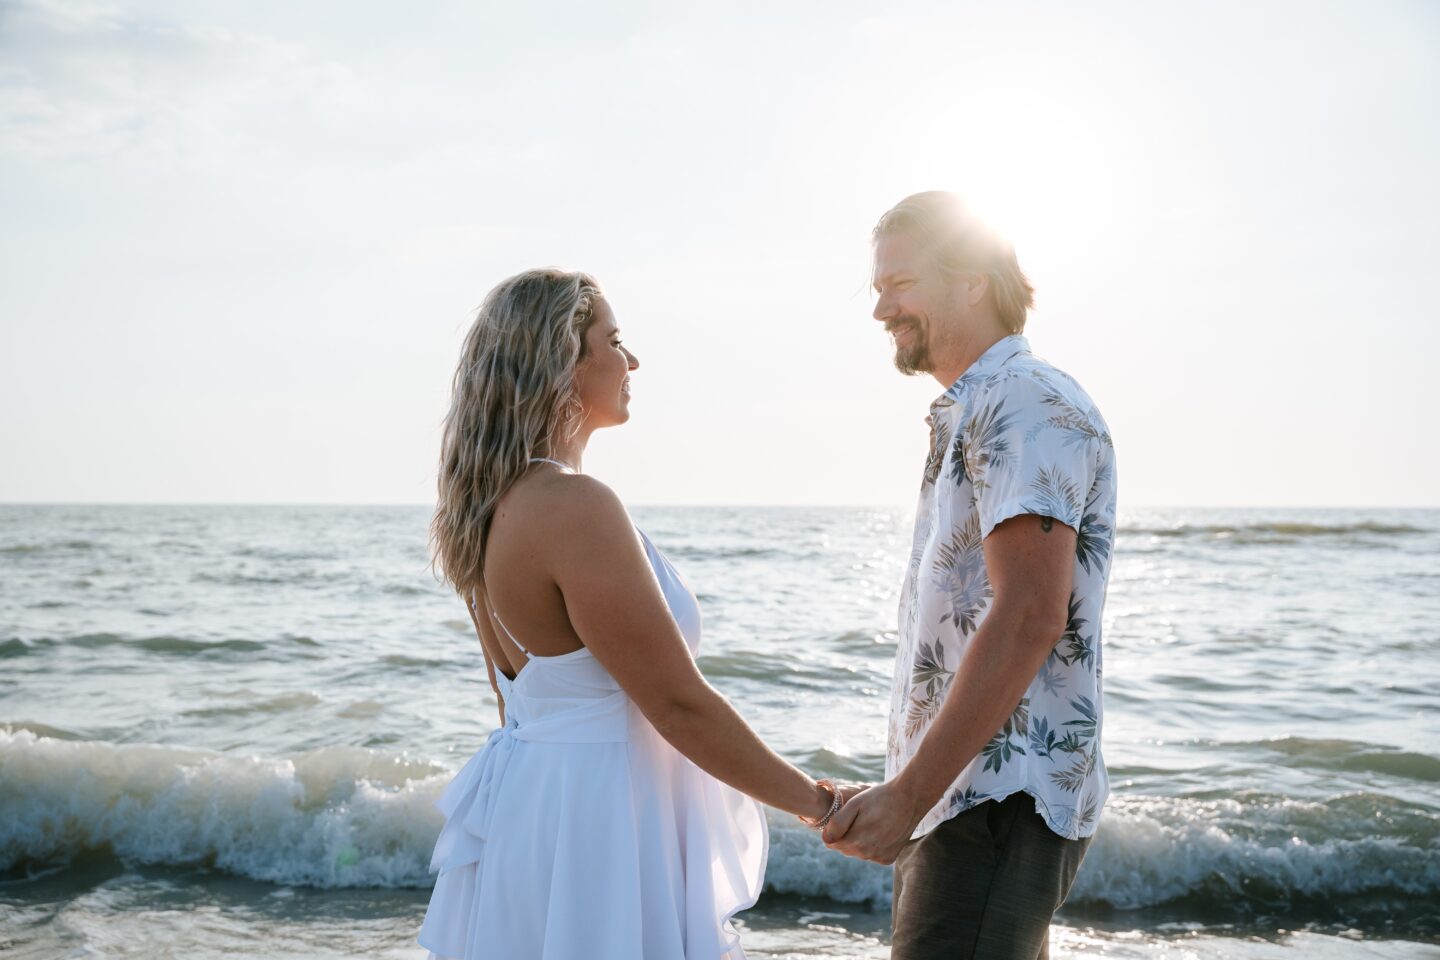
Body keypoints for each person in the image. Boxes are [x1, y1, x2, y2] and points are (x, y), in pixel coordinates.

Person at [418, 268, 845, 960]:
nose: (632, 360)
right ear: (562, 361)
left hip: (538, 815)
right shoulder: (573, 508)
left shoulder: (489, 509)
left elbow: (515, 704)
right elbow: (676, 705)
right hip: (601, 824)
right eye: (612, 340)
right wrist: (820, 804)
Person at [823, 192, 1117, 960]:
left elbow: (1028, 616)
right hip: (963, 801)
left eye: (900, 284)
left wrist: (911, 794)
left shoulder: (1024, 402)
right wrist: (903, 787)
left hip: (993, 805)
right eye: (879, 288)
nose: (882, 308)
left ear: (972, 282)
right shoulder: (980, 407)